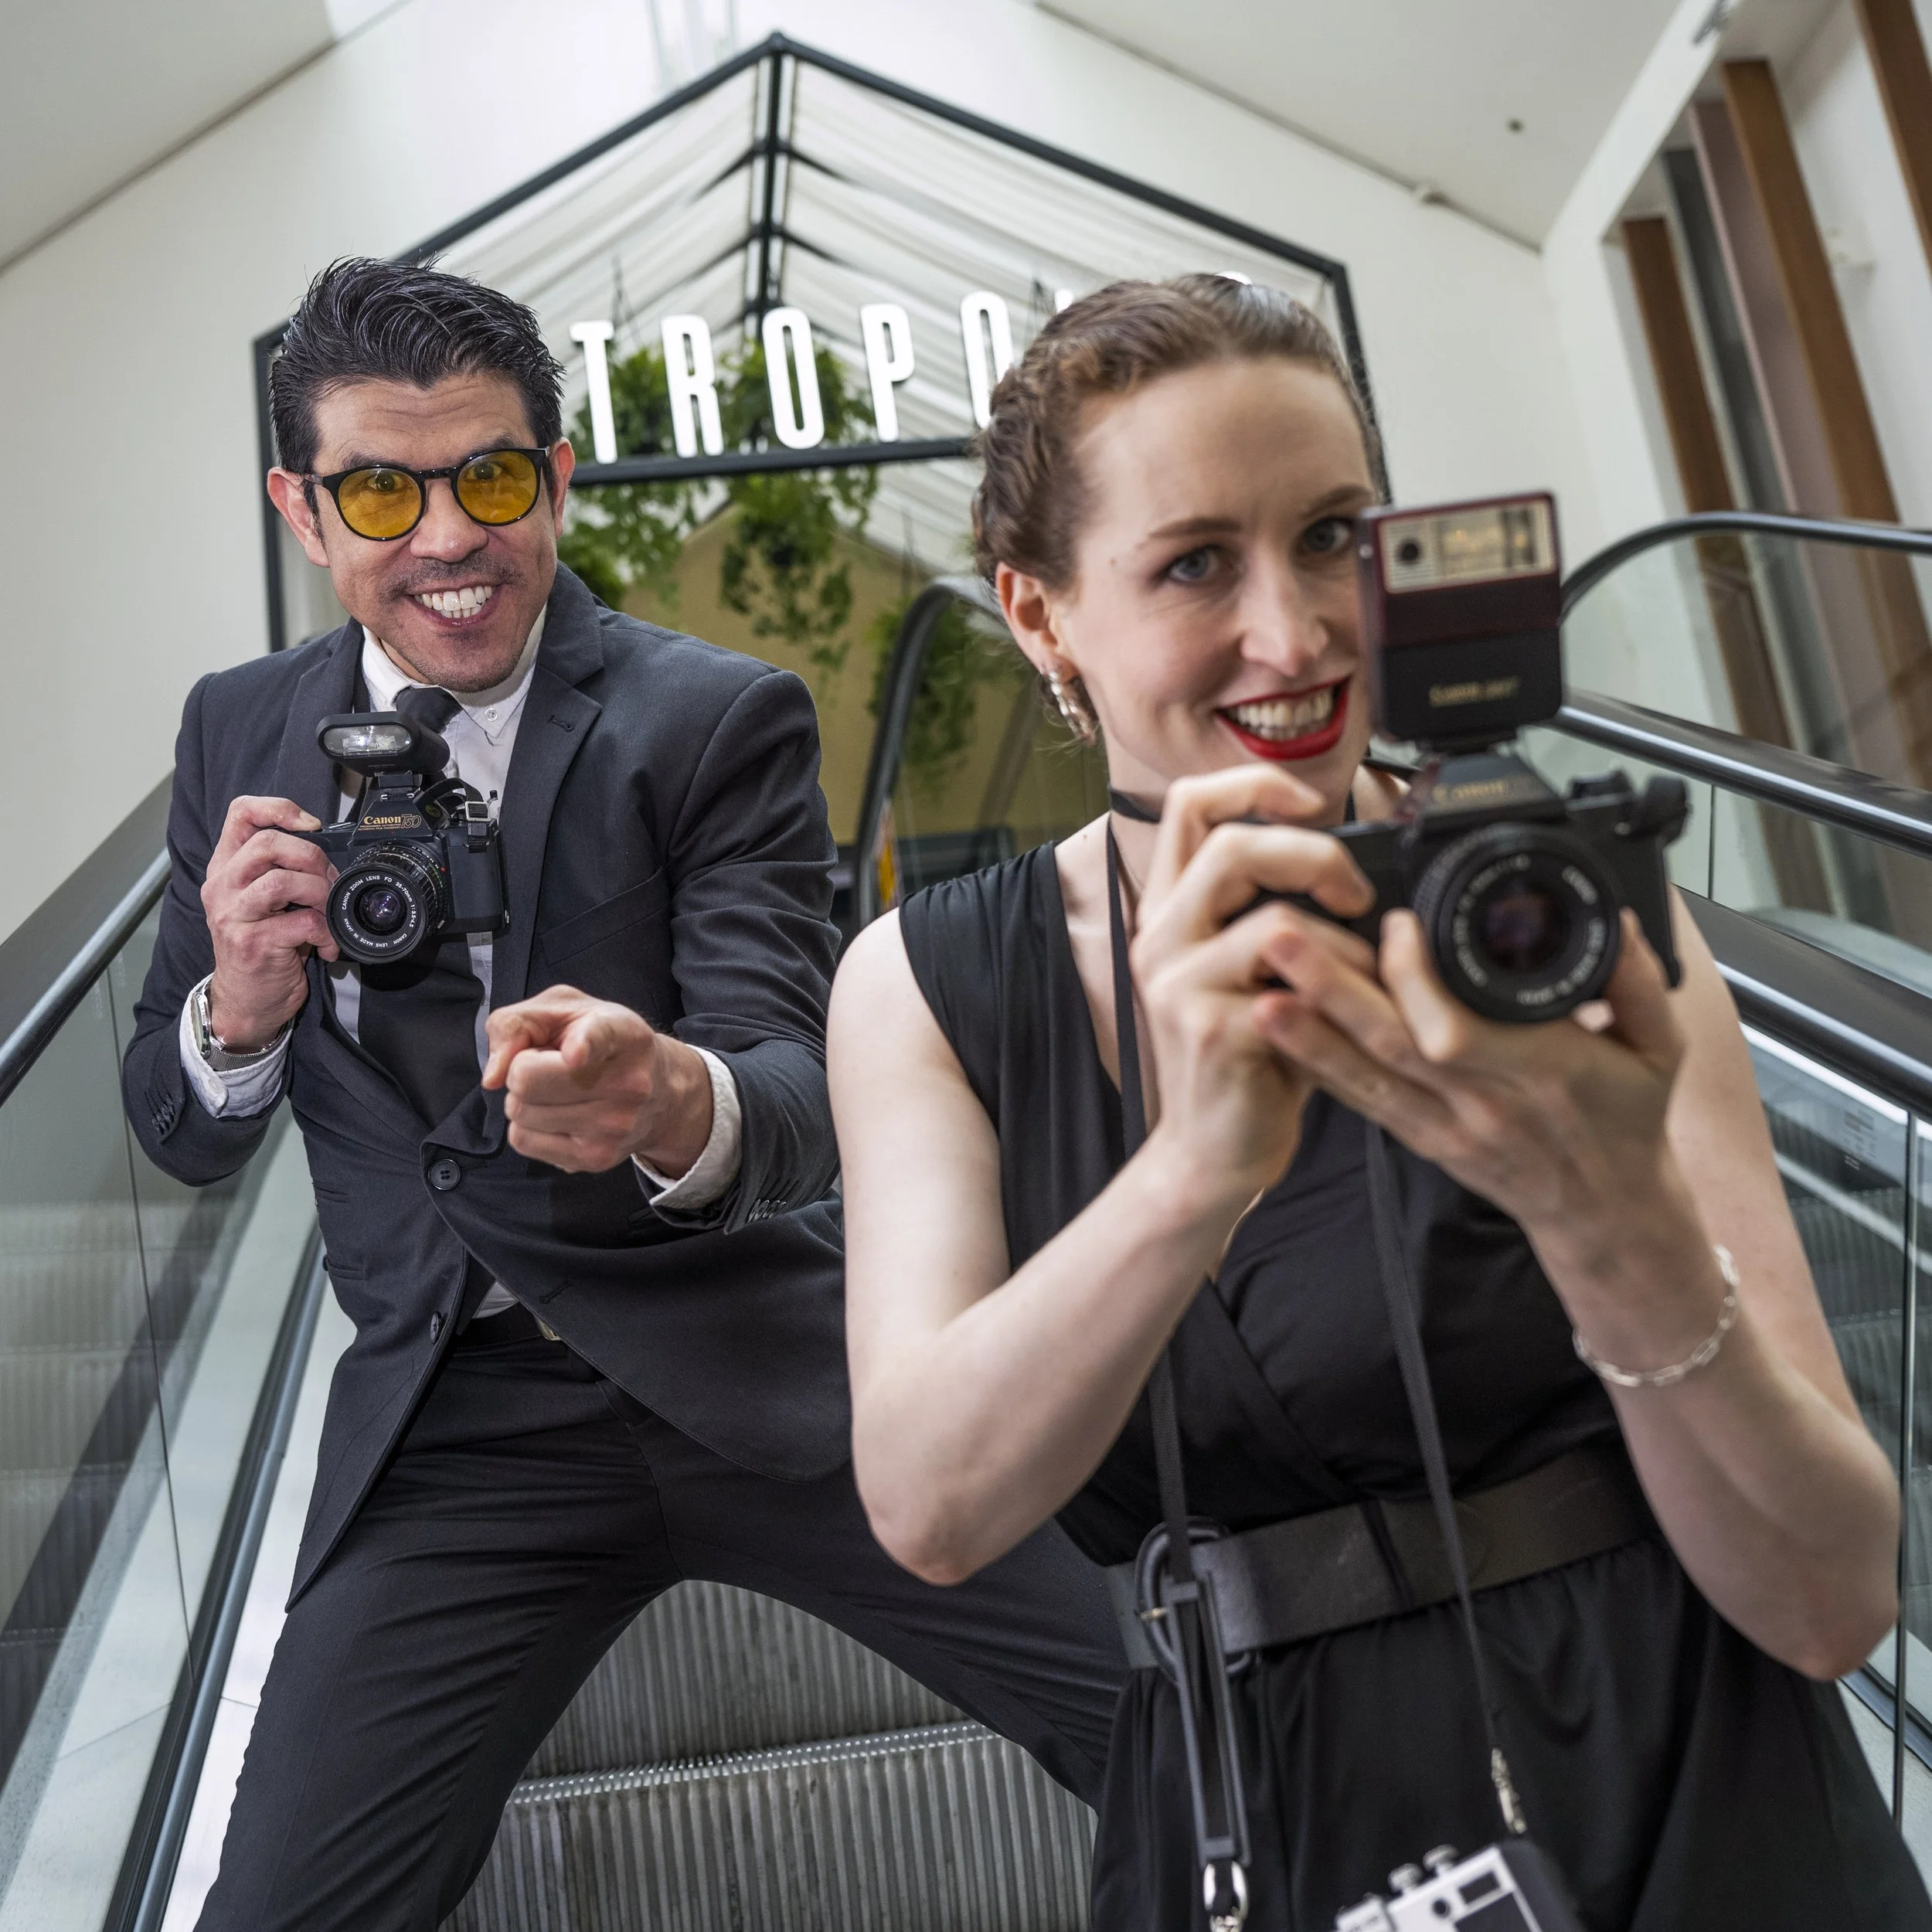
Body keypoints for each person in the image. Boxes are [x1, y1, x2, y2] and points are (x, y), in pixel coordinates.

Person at [829, 274, 1931, 1930]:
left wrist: (1594, 1203)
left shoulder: (1554, 905)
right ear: (1039, 611)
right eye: (1195, 561)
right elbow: (929, 1498)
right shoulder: (930, 984)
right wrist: (1190, 1167)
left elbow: (1832, 1591)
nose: (1295, 633)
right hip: (1262, 1811)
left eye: (1334, 534)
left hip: (1695, 1763)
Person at [121, 257, 1124, 1932]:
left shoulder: (711, 714)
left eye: (492, 478)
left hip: (773, 1369)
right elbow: (176, 1124)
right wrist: (238, 1005)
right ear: (304, 511)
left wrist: (672, 1101)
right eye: (381, 486)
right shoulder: (237, 731)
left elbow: (801, 1082)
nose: (448, 537)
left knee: (1181, 1720)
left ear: (557, 479)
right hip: (455, 1429)